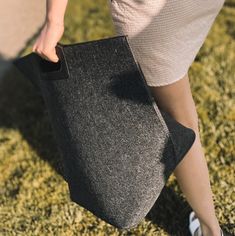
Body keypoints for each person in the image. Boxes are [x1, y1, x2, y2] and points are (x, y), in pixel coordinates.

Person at [33, 1, 226, 235]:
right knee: (181, 110)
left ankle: (210, 230)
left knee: (179, 119)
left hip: (150, 12)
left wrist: (54, 20)